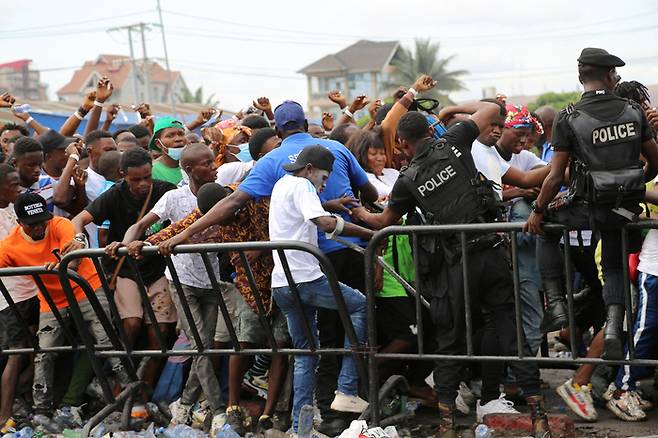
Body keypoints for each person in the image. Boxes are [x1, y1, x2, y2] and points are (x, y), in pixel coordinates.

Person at [351, 107, 551, 438]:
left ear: (401, 142)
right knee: (513, 336)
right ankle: (539, 418)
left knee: (451, 342)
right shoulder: (454, 140)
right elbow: (491, 110)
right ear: (430, 132)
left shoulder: (406, 180)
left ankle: (447, 426)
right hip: (493, 253)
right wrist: (453, 111)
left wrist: (356, 209)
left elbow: (381, 223)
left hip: (458, 265)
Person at [525, 48, 658, 362]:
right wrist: (638, 183)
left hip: (586, 206)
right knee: (613, 266)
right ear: (611, 76)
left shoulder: (568, 117)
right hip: (625, 207)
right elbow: (655, 162)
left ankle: (557, 304)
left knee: (545, 230)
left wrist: (538, 210)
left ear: (580, 77)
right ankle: (612, 326)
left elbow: (555, 176)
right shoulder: (632, 111)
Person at [146, 182, 291, 434]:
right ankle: (230, 408)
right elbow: (180, 229)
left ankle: (270, 414)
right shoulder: (208, 212)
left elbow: (286, 227)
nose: (219, 223)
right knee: (239, 343)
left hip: (284, 278)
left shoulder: (255, 201)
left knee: (279, 346)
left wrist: (263, 244)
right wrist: (144, 244)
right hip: (249, 285)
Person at [120, 144, 227, 434]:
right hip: (182, 281)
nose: (214, 166)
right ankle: (218, 412)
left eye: (213, 160)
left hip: (212, 280)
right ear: (190, 169)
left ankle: (183, 407)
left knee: (203, 349)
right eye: (206, 163)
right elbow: (140, 225)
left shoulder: (222, 197)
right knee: (201, 347)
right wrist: (131, 242)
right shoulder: (174, 197)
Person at [0, 193, 129, 432]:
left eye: (42, 220)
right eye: (32, 223)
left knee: (106, 340)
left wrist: (63, 266)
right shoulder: (9, 246)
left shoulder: (60, 225)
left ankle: (132, 396)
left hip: (86, 287)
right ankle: (42, 412)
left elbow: (74, 256)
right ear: (19, 223)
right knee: (45, 352)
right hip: (51, 301)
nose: (39, 226)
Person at [269, 145, 373, 433]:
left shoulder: (282, 184)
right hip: (306, 278)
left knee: (305, 354)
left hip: (282, 282)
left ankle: (300, 429)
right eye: (324, 178)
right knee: (360, 305)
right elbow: (324, 223)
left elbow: (301, 215)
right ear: (310, 169)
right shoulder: (304, 184)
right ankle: (347, 390)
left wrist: (328, 203)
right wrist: (370, 234)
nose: (323, 184)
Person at [65, 147, 177, 409]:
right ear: (123, 175)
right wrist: (80, 239)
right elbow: (79, 219)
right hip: (126, 269)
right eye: (136, 179)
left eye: (147, 177)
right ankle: (122, 383)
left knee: (160, 332)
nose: (143, 184)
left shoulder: (166, 190)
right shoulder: (114, 194)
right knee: (131, 325)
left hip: (159, 270)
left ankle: (144, 392)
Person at [0, 165, 39, 431]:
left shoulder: (16, 209)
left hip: (36, 290)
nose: (19, 189)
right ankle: (3, 416)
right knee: (17, 353)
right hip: (9, 296)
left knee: (39, 346)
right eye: (13, 184)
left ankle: (24, 392)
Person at [349, 129, 399, 199]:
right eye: (373, 154)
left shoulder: (394, 173)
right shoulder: (364, 178)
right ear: (361, 155)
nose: (380, 158)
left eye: (382, 153)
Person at [149, 117, 187, 185]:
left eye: (181, 134)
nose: (178, 139)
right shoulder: (152, 171)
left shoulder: (195, 165)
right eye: (170, 136)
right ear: (158, 143)